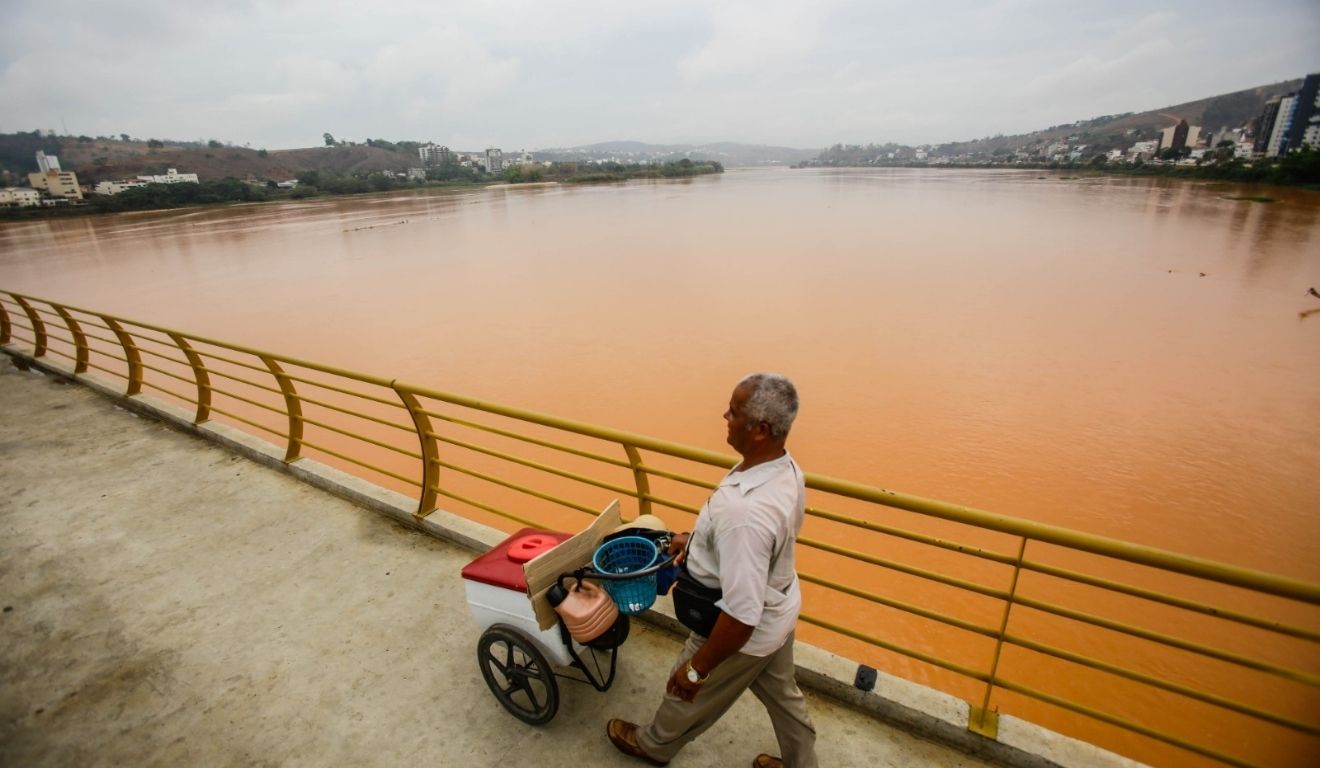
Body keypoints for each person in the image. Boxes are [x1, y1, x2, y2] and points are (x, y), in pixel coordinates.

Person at [607, 373, 817, 768]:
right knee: (784, 698)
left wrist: (696, 669)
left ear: (760, 429)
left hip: (745, 629)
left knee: (682, 690)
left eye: (734, 412)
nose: (725, 415)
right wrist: (696, 541)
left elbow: (740, 615)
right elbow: (752, 547)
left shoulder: (746, 514)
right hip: (780, 609)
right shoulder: (783, 468)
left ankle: (653, 746)